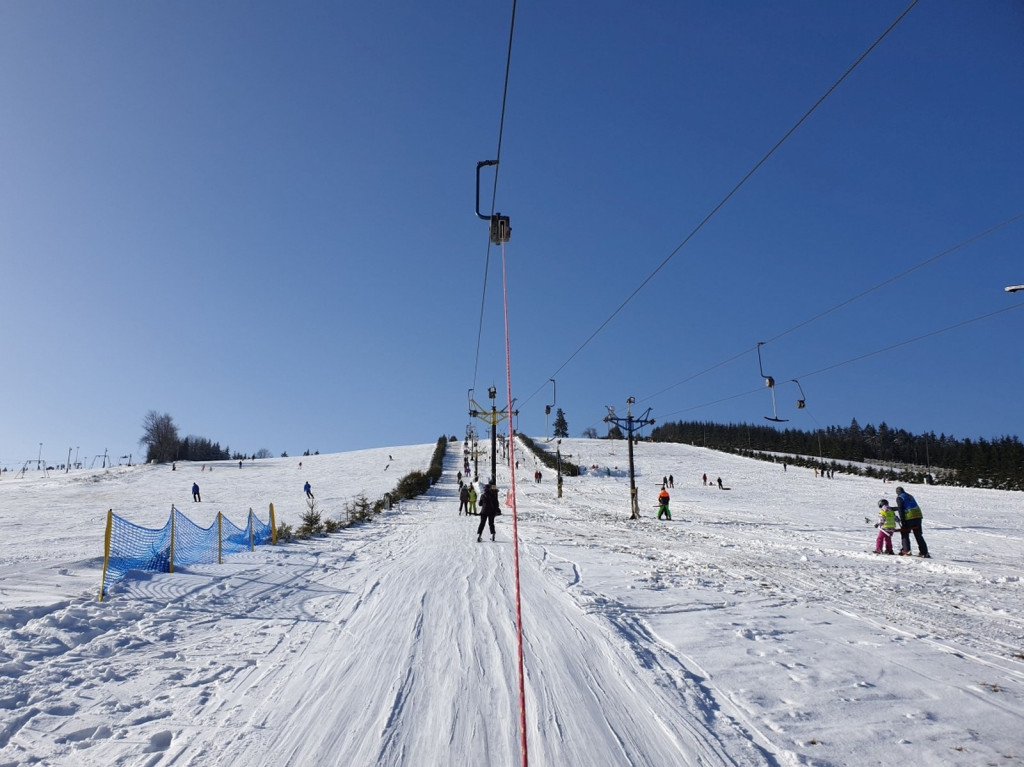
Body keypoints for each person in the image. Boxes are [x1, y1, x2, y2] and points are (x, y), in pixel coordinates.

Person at [895, 486, 930, 557]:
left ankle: (906, 550)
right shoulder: (909, 496)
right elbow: (908, 505)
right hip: (918, 516)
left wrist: (903, 521)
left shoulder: (899, 498)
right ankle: (924, 552)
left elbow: (901, 509)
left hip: (909, 517)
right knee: (918, 535)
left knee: (905, 532)